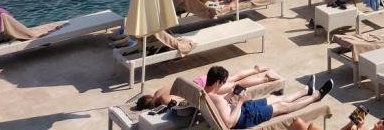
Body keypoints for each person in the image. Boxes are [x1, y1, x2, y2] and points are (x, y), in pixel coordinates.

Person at [202, 65, 331, 129]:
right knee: (282, 106)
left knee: (275, 99)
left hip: (244, 109)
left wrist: (230, 94)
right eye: (223, 83)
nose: (224, 85)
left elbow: (221, 106)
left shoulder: (204, 94)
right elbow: (229, 123)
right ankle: (316, 96)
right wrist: (240, 101)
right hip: (246, 117)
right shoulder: (216, 98)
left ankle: (306, 90)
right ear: (218, 82)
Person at [135, 66, 278, 112]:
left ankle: (265, 79)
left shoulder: (165, 101)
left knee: (235, 85)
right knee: (233, 78)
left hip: (205, 87)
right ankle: (257, 69)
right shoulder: (157, 93)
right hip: (198, 81)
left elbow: (182, 104)